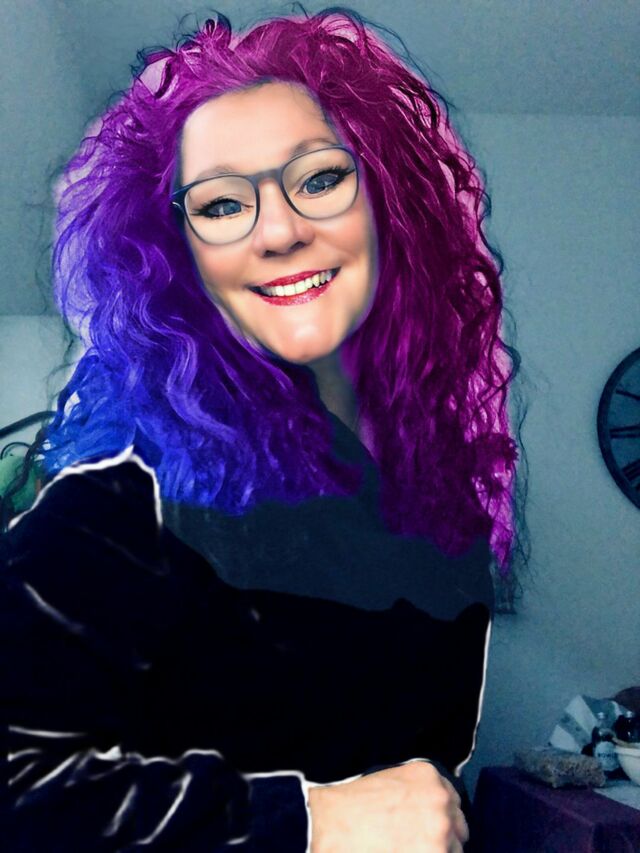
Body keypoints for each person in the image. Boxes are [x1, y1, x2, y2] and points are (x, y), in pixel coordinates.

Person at [0, 6, 526, 850]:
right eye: (220, 204)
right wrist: (312, 818)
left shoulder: (443, 504)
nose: (279, 231)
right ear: (179, 254)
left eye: (318, 179)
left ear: (390, 204)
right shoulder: (131, 498)